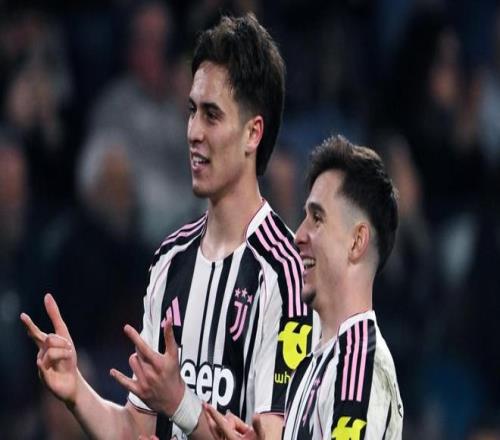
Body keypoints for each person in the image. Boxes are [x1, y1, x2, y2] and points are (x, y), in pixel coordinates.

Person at [20, 13, 316, 440]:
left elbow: (271, 436)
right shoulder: (171, 258)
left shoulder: (286, 273)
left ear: (253, 134)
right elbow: (136, 429)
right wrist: (77, 391)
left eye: (212, 115)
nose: (193, 132)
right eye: (192, 111)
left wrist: (180, 403)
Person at [205, 135, 404, 439]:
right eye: (305, 217)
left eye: (317, 218)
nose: (298, 234)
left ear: (357, 242)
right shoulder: (315, 364)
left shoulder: (358, 366)